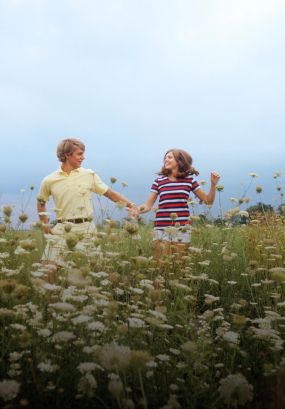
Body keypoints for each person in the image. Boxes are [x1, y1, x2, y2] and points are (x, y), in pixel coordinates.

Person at [37, 138, 136, 266]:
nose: (83, 157)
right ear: (67, 155)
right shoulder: (49, 180)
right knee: (47, 267)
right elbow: (41, 203)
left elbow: (109, 193)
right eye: (79, 154)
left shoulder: (89, 175)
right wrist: (46, 228)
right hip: (62, 230)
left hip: (87, 230)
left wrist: (131, 205)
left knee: (96, 270)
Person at [131, 148, 220, 260]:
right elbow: (148, 205)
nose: (165, 160)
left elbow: (208, 201)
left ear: (179, 161)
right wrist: (137, 210)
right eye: (165, 157)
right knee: (160, 265)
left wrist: (213, 184)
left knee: (179, 266)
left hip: (182, 229)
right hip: (161, 229)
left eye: (169, 157)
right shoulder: (158, 181)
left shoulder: (190, 181)